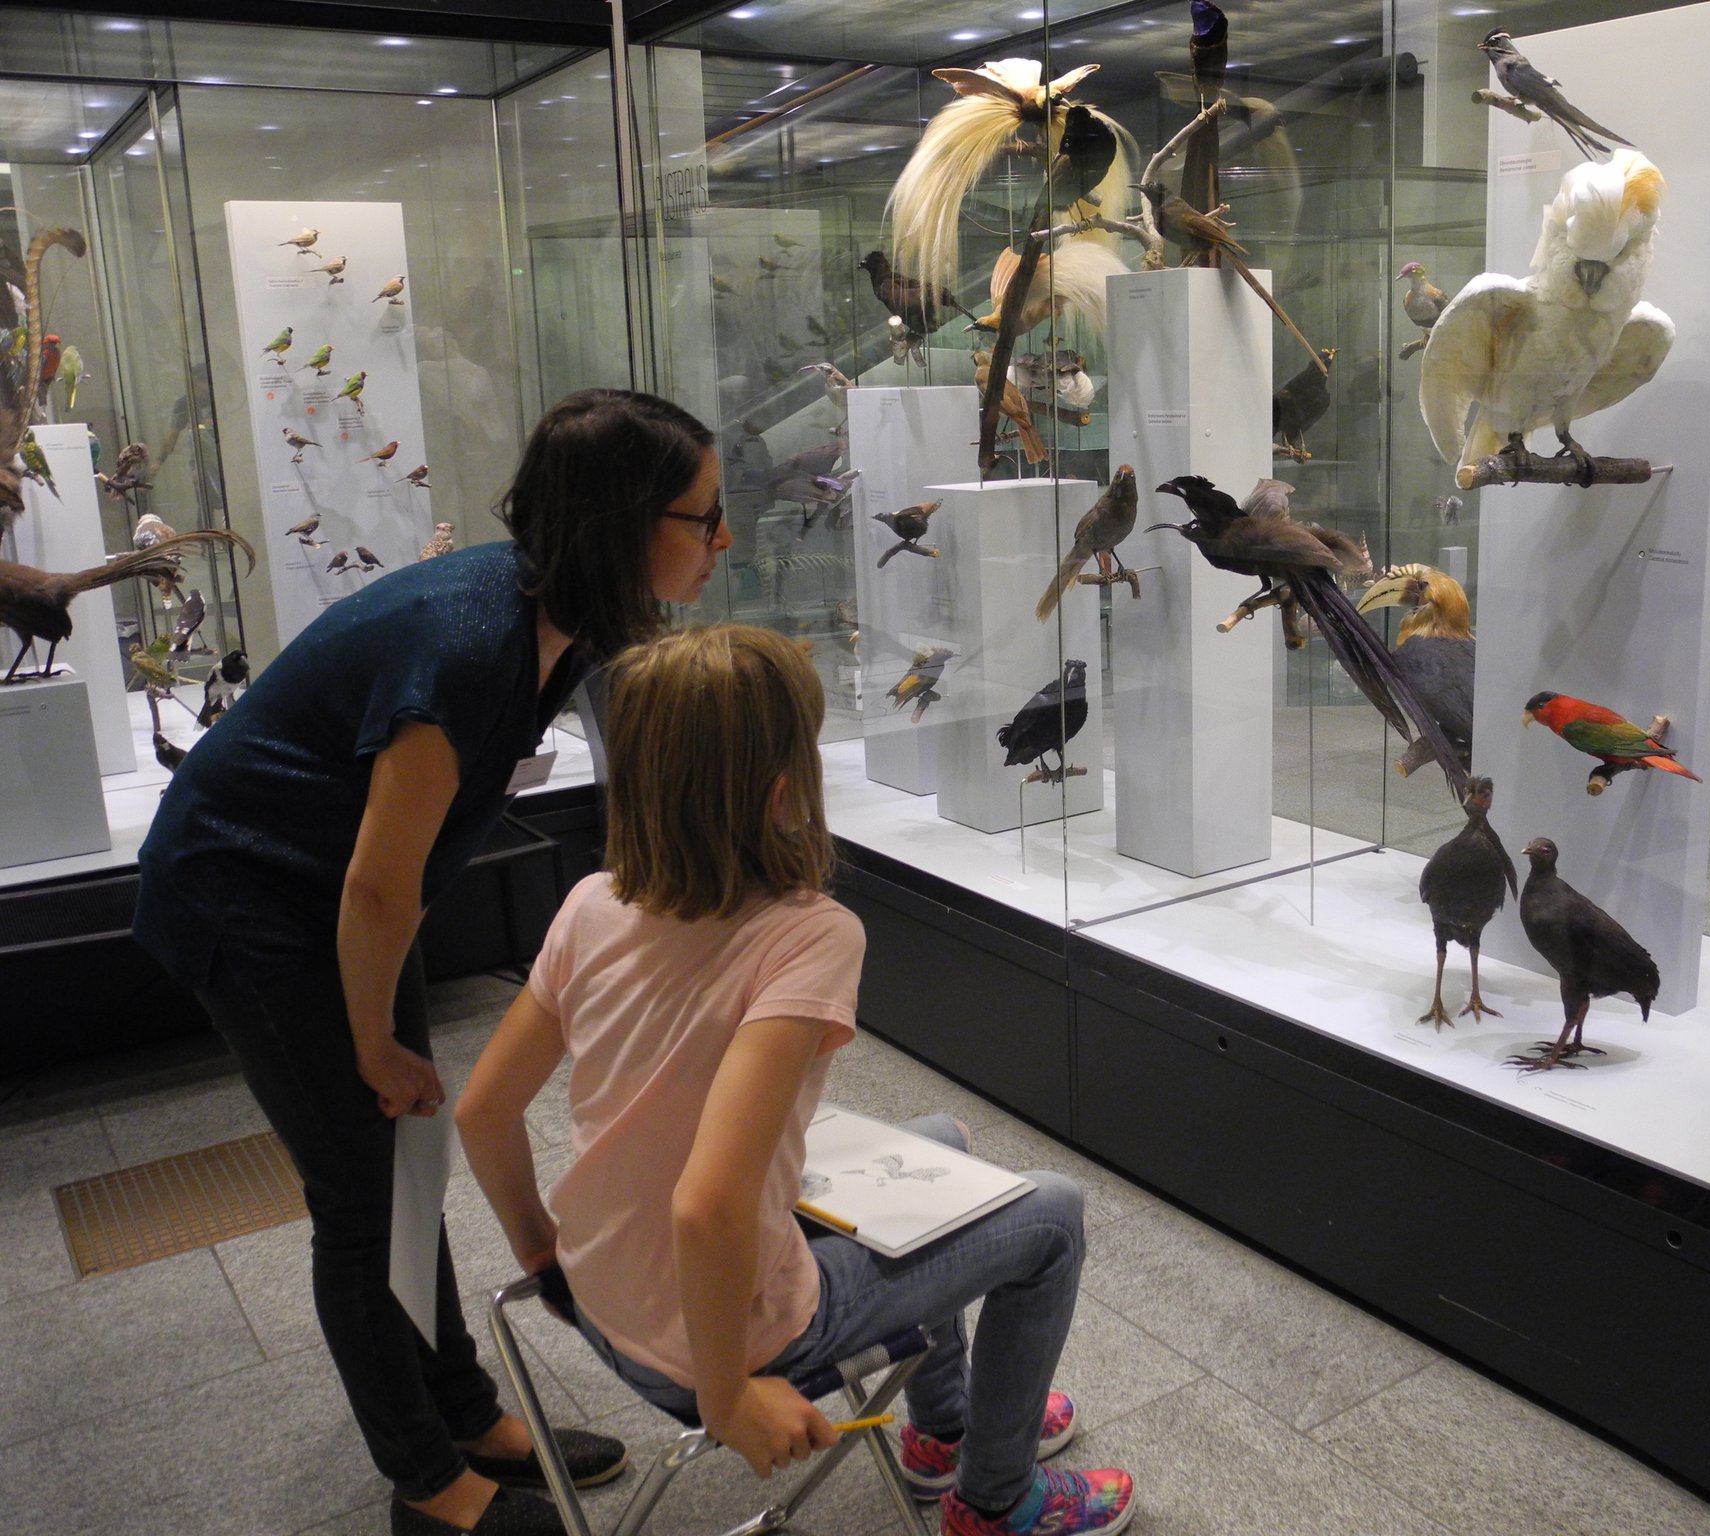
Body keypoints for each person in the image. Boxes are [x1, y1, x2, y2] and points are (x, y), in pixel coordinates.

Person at [132, 389, 734, 1536]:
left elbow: (384, 875)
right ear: (621, 522)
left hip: (344, 898)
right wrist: (370, 1040)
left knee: (406, 1157)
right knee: (358, 1196)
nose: (723, 539)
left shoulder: (563, 620)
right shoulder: (467, 641)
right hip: (252, 897)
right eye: (703, 516)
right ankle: (427, 1481)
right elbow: (371, 878)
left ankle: (461, 1408)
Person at [456, 626, 1138, 1536]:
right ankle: (997, 1500)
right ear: (784, 792)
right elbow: (709, 1204)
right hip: (721, 1341)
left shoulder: (591, 902)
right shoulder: (809, 934)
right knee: (1053, 1214)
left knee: (940, 1144)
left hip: (595, 1289)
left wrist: (542, 1251)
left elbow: (482, 1109)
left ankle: (944, 1430)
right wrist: (731, 1392)